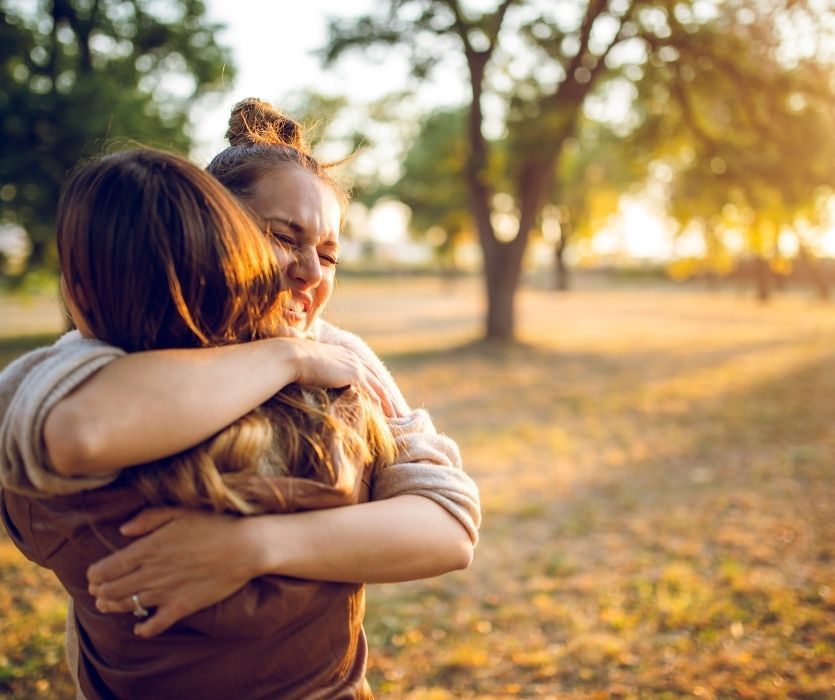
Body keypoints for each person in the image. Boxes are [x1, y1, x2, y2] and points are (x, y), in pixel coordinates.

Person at [0, 101, 480, 695]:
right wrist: (288, 359)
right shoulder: (101, 362)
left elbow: (448, 528)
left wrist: (253, 546)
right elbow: (79, 431)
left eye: (329, 254)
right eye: (283, 238)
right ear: (215, 234)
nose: (311, 272)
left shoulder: (340, 354)